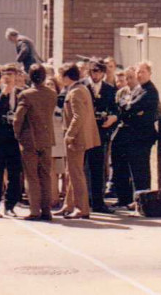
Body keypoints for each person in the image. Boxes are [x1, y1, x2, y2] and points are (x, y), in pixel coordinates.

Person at [112, 61, 160, 210]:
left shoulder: (149, 91)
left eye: (143, 72)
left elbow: (131, 107)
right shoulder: (137, 88)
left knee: (140, 169)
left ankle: (141, 200)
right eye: (138, 72)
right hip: (130, 134)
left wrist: (128, 107)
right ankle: (125, 198)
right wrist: (128, 107)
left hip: (141, 136)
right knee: (124, 166)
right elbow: (122, 103)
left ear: (150, 74)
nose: (139, 75)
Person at [56, 62, 101, 219]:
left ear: (67, 76)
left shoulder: (76, 92)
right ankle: (69, 205)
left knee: (76, 173)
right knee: (71, 172)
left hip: (77, 138)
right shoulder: (79, 89)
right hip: (79, 137)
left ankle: (82, 208)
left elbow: (78, 116)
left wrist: (69, 134)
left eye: (61, 75)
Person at [13, 64, 57, 221]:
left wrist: (17, 134)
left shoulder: (26, 95)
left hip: (30, 138)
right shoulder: (52, 94)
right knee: (45, 175)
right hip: (46, 138)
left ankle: (34, 210)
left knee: (32, 176)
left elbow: (18, 118)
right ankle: (46, 209)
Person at [0, 66, 23, 218]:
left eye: (10, 75)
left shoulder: (20, 92)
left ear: (15, 77)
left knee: (15, 172)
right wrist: (4, 93)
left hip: (14, 137)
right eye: (4, 76)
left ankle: (10, 206)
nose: (7, 78)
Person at [84, 59, 118, 214]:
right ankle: (84, 200)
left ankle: (98, 202)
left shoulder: (110, 89)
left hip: (101, 132)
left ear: (104, 73)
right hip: (85, 131)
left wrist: (112, 118)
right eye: (93, 71)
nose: (96, 75)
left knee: (98, 167)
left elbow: (115, 109)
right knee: (83, 167)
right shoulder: (82, 86)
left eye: (99, 71)